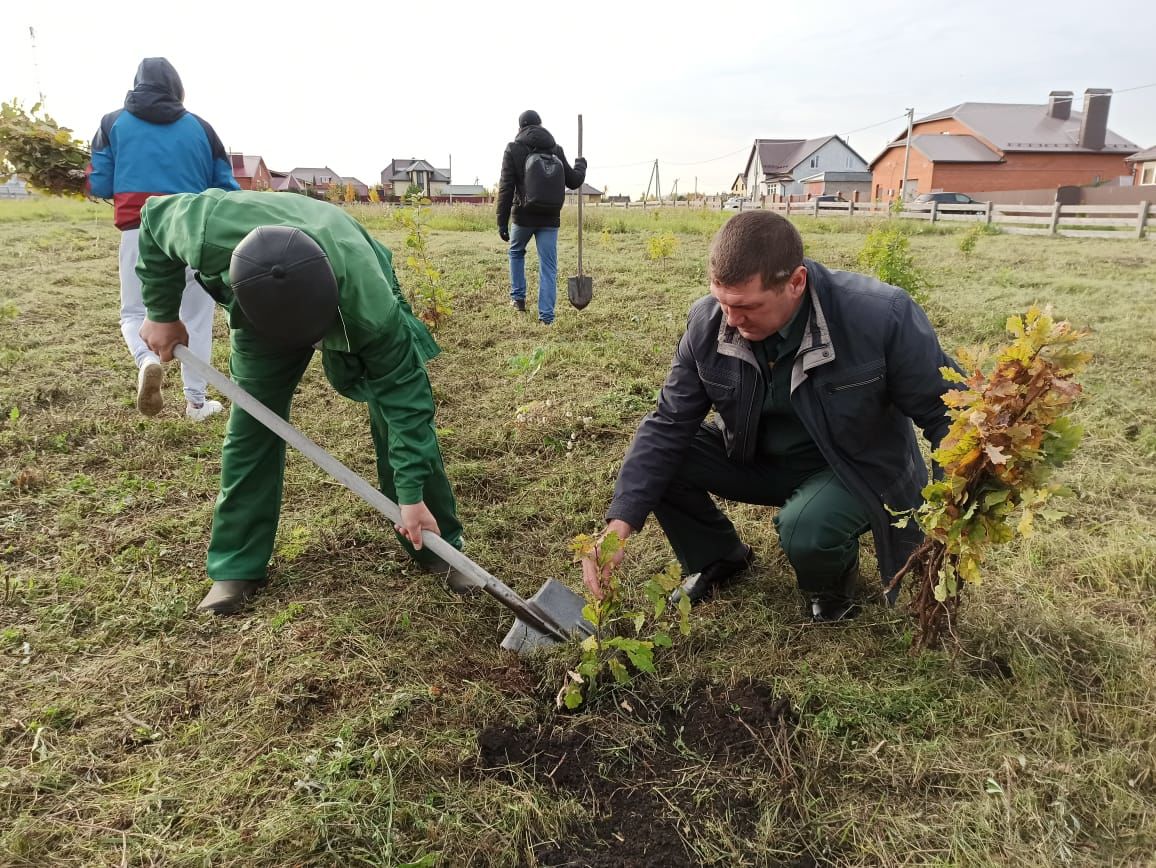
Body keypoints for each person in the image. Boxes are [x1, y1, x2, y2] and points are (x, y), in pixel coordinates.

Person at [581, 211, 960, 622]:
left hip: (851, 467)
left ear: (796, 282)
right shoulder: (709, 322)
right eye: (722, 301)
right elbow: (668, 424)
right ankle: (717, 556)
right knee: (665, 454)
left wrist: (951, 503)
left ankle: (831, 583)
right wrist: (618, 528)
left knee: (806, 528)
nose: (731, 319)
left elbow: (946, 411)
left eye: (747, 306)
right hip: (758, 458)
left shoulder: (881, 316)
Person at [135, 189, 464, 615]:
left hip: (348, 280)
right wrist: (161, 312)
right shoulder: (204, 229)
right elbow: (152, 217)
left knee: (392, 411)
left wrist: (411, 494)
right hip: (259, 309)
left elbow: (408, 402)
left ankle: (437, 544)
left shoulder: (372, 309)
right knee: (253, 422)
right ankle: (236, 565)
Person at [87, 57, 239, 421]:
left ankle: (147, 359)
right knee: (196, 318)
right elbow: (227, 188)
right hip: (192, 232)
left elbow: (99, 183)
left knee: (135, 312)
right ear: (177, 87)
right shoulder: (202, 128)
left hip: (140, 230)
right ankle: (197, 403)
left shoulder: (112, 124)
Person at [496, 110, 587, 325]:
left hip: (523, 217)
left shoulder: (513, 148)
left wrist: (502, 221)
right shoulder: (556, 149)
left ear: (520, 128)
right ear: (540, 125)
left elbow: (506, 188)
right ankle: (546, 316)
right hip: (550, 218)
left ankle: (518, 299)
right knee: (548, 266)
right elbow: (574, 181)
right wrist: (581, 164)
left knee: (516, 252)